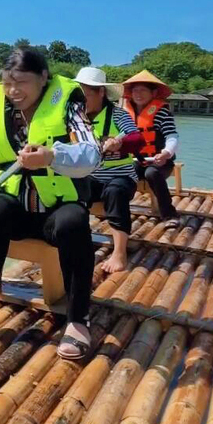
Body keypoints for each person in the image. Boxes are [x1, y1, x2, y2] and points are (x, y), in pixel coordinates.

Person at [0, 48, 100, 360]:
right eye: (7, 83)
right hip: (19, 209)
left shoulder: (68, 105)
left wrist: (52, 156)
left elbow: (91, 154)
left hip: (57, 210)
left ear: (43, 78)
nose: (13, 91)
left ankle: (78, 318)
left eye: (21, 82)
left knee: (74, 221)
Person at [73, 67, 145, 273]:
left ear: (101, 92)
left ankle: (119, 253)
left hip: (120, 176)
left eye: (85, 95)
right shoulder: (75, 118)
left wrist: (119, 143)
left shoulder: (118, 115)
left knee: (115, 192)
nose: (80, 101)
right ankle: (75, 242)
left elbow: (137, 138)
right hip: (90, 176)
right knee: (67, 191)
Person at [121, 70, 180, 226]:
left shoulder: (162, 113)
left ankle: (169, 214)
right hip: (135, 160)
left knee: (152, 173)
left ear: (153, 93)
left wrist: (166, 153)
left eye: (143, 90)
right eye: (135, 90)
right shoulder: (124, 114)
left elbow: (172, 136)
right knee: (121, 172)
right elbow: (119, 135)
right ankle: (117, 211)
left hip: (159, 161)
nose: (138, 94)